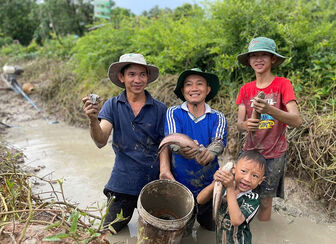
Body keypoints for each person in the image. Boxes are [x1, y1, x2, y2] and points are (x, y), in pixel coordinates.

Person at [82, 53, 167, 232]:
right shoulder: (112, 105)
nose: (137, 80)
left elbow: (165, 145)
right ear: (122, 77)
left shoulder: (160, 109)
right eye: (132, 74)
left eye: (142, 74)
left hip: (152, 182)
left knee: (158, 234)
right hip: (122, 181)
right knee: (110, 232)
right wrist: (92, 119)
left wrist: (165, 174)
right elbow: (100, 141)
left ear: (148, 77)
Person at [236, 37, 302, 221]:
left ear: (272, 59)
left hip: (274, 154)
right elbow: (239, 124)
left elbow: (296, 120)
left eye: (263, 55)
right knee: (241, 195)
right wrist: (246, 124)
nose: (258, 59)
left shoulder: (283, 84)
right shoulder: (245, 89)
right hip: (249, 152)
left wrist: (269, 109)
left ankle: (264, 231)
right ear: (249, 61)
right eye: (254, 55)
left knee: (265, 200)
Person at [159, 68, 227, 232]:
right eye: (188, 85)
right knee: (183, 231)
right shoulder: (173, 112)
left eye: (199, 84)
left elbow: (218, 142)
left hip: (209, 183)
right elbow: (172, 141)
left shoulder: (218, 116)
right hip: (180, 184)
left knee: (211, 227)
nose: (194, 88)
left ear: (208, 89)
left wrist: (209, 153)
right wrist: (183, 149)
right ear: (183, 91)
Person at [197, 150, 266, 244]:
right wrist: (215, 183)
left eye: (255, 176)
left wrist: (230, 188)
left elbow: (236, 221)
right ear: (234, 169)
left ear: (261, 180)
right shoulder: (224, 186)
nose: (247, 179)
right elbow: (200, 200)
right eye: (243, 171)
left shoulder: (253, 199)